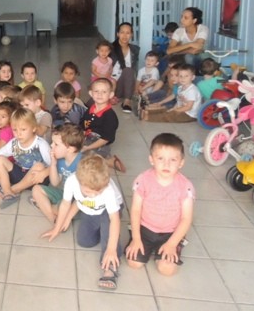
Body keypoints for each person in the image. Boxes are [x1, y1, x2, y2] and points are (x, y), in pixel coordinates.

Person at [42, 154, 123, 290]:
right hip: (89, 209)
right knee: (84, 242)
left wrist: (110, 248)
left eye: (98, 192)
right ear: (79, 182)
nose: (94, 195)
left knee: (110, 239)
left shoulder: (108, 190)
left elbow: (114, 219)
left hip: (109, 212)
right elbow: (65, 204)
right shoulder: (72, 181)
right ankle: (102, 231)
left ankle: (110, 268)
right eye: (89, 191)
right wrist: (57, 228)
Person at [126, 133, 195, 276]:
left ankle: (173, 247)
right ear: (151, 160)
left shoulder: (185, 186)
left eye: (173, 160)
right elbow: (136, 210)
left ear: (181, 162)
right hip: (145, 229)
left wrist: (171, 244)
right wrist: (136, 239)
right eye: (160, 158)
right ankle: (141, 242)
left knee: (167, 269)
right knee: (134, 262)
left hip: (170, 234)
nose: (166, 164)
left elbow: (186, 219)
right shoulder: (143, 180)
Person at [0, 108, 52, 209]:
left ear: (33, 128)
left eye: (23, 130)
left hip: (37, 180)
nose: (18, 134)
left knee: (39, 166)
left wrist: (44, 173)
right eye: (15, 130)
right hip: (20, 174)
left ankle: (13, 190)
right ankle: (7, 191)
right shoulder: (14, 143)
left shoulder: (41, 144)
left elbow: (54, 165)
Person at [31, 124, 84, 223]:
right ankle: (53, 217)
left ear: (70, 149)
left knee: (66, 208)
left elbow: (83, 195)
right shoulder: (60, 159)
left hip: (74, 199)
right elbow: (55, 183)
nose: (51, 145)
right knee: (36, 189)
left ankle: (47, 207)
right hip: (61, 192)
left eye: (56, 144)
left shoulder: (82, 163)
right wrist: (53, 165)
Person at [81, 78, 125, 173]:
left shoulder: (110, 116)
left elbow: (105, 139)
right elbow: (83, 127)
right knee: (72, 151)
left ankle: (108, 162)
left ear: (111, 95)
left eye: (104, 92)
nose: (99, 94)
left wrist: (88, 148)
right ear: (91, 93)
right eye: (96, 91)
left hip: (101, 145)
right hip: (87, 140)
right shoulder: (89, 110)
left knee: (86, 160)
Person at [110, 22, 140, 113]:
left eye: (128, 33)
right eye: (122, 32)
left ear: (132, 34)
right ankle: (127, 99)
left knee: (129, 71)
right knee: (128, 70)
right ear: (117, 34)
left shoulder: (135, 49)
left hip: (128, 86)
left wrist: (138, 84)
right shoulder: (110, 49)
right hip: (112, 86)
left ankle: (127, 102)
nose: (125, 35)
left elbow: (134, 70)